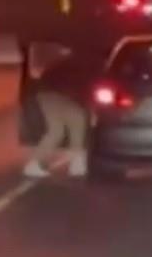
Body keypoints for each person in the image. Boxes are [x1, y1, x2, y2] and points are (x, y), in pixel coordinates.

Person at [22, 44, 102, 179]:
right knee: (78, 120)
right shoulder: (88, 67)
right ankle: (76, 163)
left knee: (56, 130)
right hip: (58, 94)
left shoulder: (74, 62)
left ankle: (34, 164)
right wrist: (91, 110)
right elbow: (87, 89)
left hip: (45, 94)